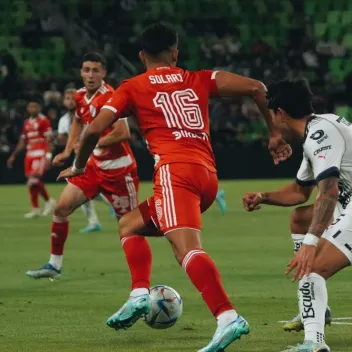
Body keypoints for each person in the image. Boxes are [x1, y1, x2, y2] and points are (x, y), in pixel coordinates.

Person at [59, 23, 291, 352]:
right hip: (207, 175)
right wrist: (275, 133)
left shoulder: (131, 86)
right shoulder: (198, 78)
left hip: (174, 173)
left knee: (186, 249)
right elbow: (257, 87)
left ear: (142, 56)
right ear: (176, 52)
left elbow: (94, 130)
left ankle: (228, 316)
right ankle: (139, 294)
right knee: (129, 224)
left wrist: (79, 165)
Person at [242, 79, 352, 352]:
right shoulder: (316, 132)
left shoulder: (321, 134)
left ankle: (314, 344)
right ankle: (315, 309)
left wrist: (309, 245)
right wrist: (263, 197)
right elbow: (299, 192)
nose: (272, 124)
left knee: (312, 266)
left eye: (272, 116)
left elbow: (328, 192)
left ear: (280, 113)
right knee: (300, 218)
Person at [26, 52, 141, 280]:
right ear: (81, 72)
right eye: (86, 70)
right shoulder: (79, 96)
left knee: (129, 227)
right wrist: (68, 150)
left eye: (95, 70)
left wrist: (89, 142)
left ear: (104, 73)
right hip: (93, 166)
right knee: (61, 209)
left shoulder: (111, 97)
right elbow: (79, 120)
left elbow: (123, 133)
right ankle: (54, 265)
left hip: (119, 170)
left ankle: (140, 282)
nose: (90, 75)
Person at [57, 88, 103, 233]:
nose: (70, 101)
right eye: (67, 98)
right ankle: (95, 219)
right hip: (80, 157)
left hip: (97, 154)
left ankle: (101, 214)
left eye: (72, 98)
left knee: (80, 185)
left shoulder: (90, 111)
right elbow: (63, 138)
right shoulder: (64, 120)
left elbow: (98, 133)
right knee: (79, 184)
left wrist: (82, 144)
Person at [7, 98, 56, 218]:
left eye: (35, 106)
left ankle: (49, 201)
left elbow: (49, 139)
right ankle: (36, 209)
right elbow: (23, 141)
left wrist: (48, 155)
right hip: (29, 154)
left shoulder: (44, 121)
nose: (32, 109)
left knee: (33, 180)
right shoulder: (26, 123)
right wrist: (13, 155)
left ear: (39, 108)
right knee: (32, 183)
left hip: (40, 153)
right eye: (30, 107)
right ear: (28, 109)